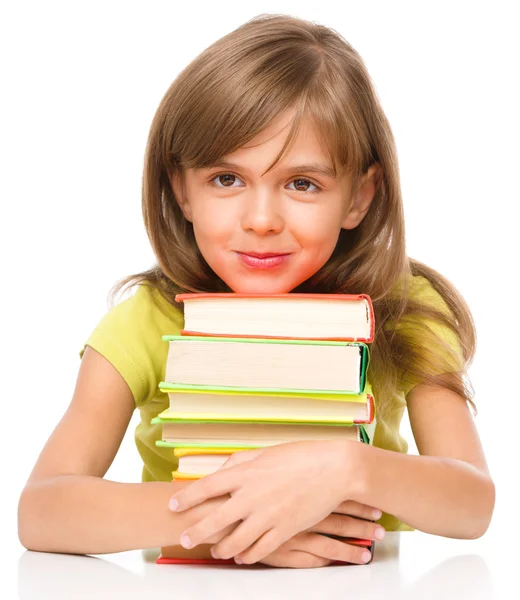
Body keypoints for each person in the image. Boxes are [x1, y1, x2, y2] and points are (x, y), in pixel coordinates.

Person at [17, 13, 495, 569]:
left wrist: (346, 468)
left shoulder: (404, 310)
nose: (262, 219)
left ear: (359, 198)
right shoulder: (146, 322)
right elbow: (41, 512)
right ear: (182, 191)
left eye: (301, 183)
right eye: (227, 179)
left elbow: (472, 506)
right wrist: (228, 519)